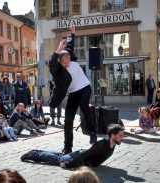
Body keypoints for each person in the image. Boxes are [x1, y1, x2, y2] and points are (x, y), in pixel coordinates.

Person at [49, 26, 97, 154]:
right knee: (68, 120)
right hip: (73, 93)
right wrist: (59, 48)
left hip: (85, 88)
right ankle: (68, 147)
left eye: (68, 61)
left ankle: (92, 132)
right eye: (64, 63)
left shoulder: (70, 57)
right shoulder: (57, 70)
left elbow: (70, 44)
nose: (67, 64)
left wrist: (72, 33)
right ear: (60, 62)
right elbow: (52, 62)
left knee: (84, 106)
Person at [21, 124, 124, 168]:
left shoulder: (113, 143)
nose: (122, 138)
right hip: (78, 157)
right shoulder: (101, 145)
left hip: (80, 155)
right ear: (113, 135)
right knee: (58, 160)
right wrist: (68, 165)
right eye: (120, 135)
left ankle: (37, 151)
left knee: (61, 156)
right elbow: (84, 156)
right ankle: (33, 154)